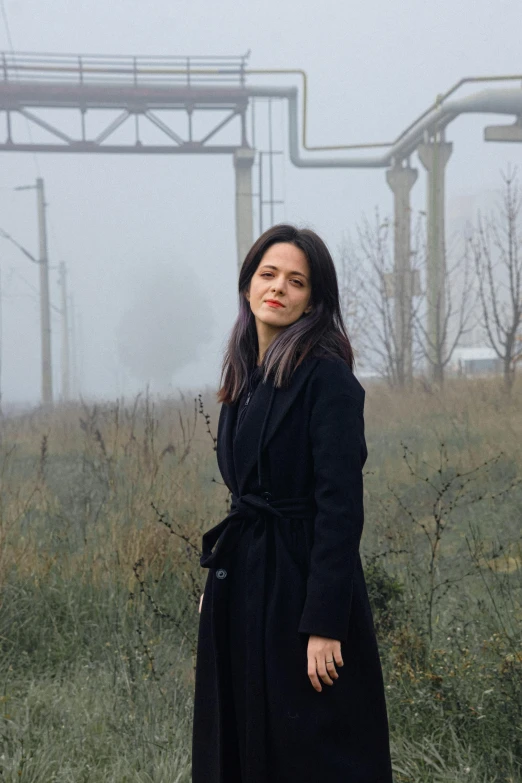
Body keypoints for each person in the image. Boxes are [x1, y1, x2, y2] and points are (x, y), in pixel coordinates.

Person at [191, 224, 393, 783]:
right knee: (242, 736)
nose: (278, 287)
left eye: (296, 280)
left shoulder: (327, 378)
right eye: (268, 274)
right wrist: (217, 579)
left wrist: (326, 622)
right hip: (245, 581)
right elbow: (243, 499)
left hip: (302, 585)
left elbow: (340, 509)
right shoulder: (245, 376)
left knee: (310, 747)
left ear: (314, 299)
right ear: (249, 284)